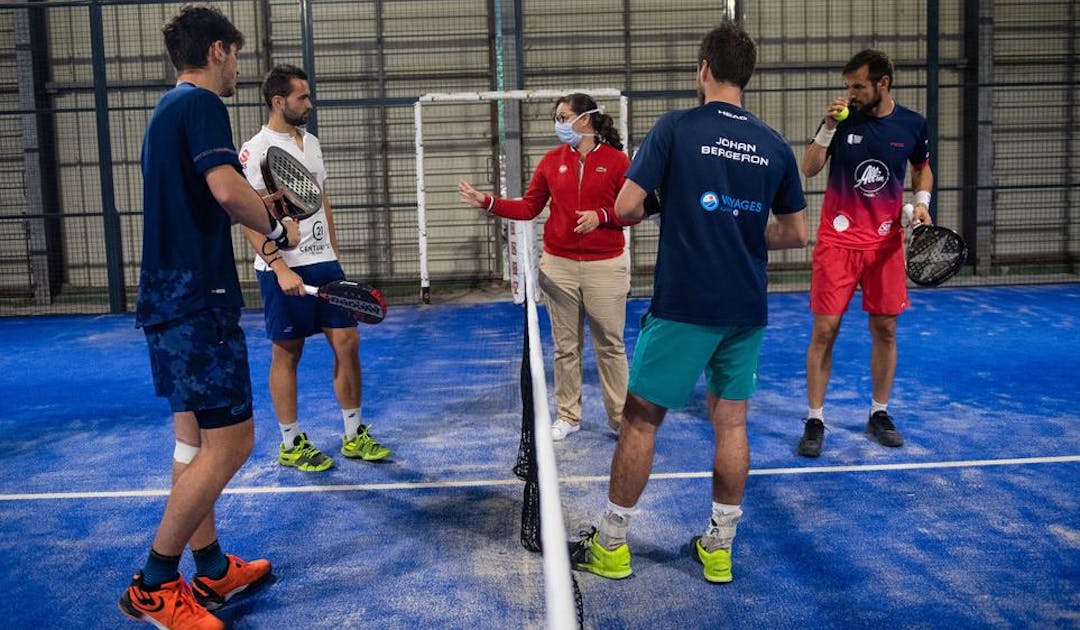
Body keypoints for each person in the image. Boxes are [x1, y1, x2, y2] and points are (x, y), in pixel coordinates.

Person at [569, 23, 808, 584]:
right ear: (745, 76)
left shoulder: (676, 127)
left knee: (641, 421)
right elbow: (796, 233)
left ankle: (612, 544)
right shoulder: (773, 144)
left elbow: (626, 207)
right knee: (731, 423)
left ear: (704, 69)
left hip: (684, 304)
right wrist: (743, 234)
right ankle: (719, 548)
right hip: (745, 305)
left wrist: (668, 204)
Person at [120, 6, 299, 629]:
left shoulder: (166, 112)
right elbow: (226, 191)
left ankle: (214, 569)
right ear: (218, 50)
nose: (238, 71)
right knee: (235, 441)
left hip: (170, 300)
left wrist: (256, 203)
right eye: (237, 57)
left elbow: (215, 194)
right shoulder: (201, 106)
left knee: (192, 441)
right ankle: (154, 583)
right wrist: (275, 225)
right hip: (197, 302)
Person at [238, 64, 391, 472]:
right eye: (302, 97)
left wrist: (334, 255)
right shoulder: (255, 150)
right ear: (278, 101)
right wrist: (280, 267)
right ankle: (290, 443)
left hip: (324, 263)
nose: (310, 103)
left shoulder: (312, 143)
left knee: (348, 342)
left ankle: (354, 434)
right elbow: (249, 216)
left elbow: (321, 201)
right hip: (283, 269)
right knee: (288, 353)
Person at [458, 93, 635, 440]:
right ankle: (569, 415)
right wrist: (488, 202)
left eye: (563, 116)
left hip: (606, 267)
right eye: (557, 117)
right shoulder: (551, 162)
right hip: (559, 267)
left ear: (585, 120)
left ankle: (620, 419)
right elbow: (528, 207)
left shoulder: (618, 163)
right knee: (565, 347)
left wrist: (601, 217)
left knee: (611, 346)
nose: (558, 124)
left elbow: (633, 213)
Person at [796, 49, 934, 458]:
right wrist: (825, 127)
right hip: (837, 245)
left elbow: (921, 166)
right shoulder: (841, 121)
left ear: (883, 83)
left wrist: (922, 199)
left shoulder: (912, 124)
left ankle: (879, 412)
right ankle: (815, 418)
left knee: (886, 330)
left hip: (886, 245)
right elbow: (809, 167)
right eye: (848, 86)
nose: (850, 93)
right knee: (824, 331)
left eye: (858, 85)